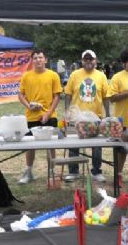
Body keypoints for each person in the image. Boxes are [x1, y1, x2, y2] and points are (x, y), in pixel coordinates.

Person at [64, 49, 110, 182]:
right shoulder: (74, 75)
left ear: (96, 60)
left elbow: (106, 97)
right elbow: (68, 94)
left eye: (91, 59)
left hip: (96, 117)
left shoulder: (101, 76)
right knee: (73, 144)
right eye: (86, 59)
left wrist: (107, 115)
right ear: (82, 61)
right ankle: (73, 172)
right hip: (77, 118)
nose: (89, 61)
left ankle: (96, 171)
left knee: (96, 146)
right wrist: (67, 112)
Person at [18, 49, 63, 184]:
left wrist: (48, 113)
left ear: (46, 60)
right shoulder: (26, 76)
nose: (38, 60)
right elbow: (21, 95)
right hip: (31, 117)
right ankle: (29, 171)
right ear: (32, 60)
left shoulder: (53, 75)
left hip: (50, 116)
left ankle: (51, 172)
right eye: (35, 58)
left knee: (51, 146)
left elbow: (57, 96)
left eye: (40, 57)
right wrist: (29, 106)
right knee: (30, 146)